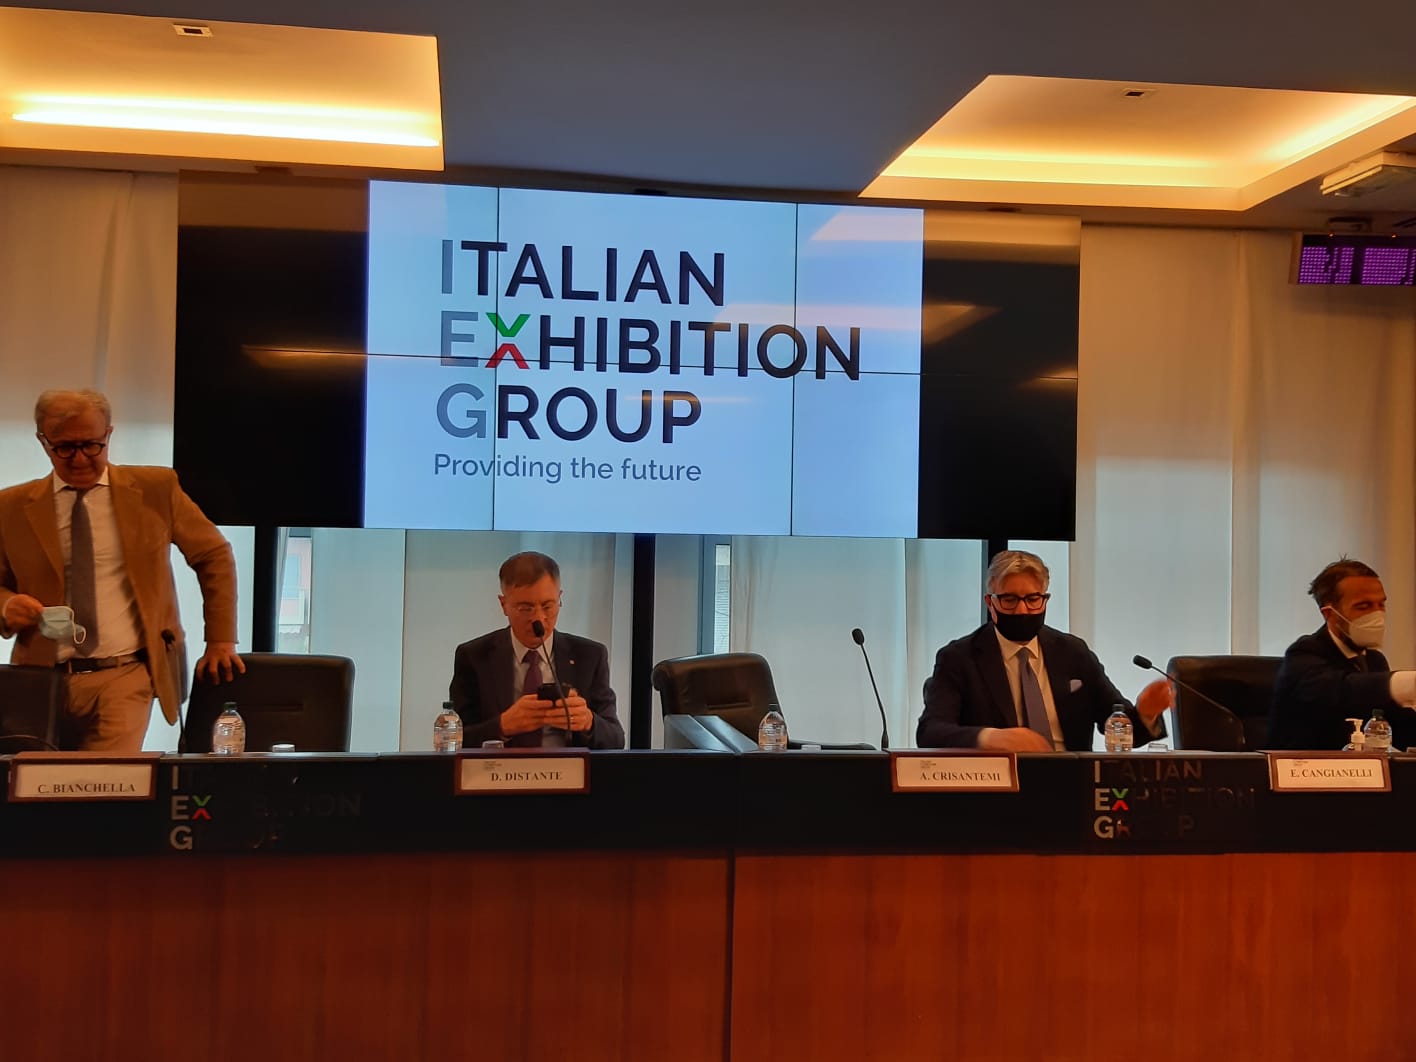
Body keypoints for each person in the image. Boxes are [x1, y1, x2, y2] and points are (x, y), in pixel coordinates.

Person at [0, 389, 243, 751]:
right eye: (64, 448)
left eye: (91, 445)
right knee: (39, 784)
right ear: (43, 441)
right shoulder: (11, 506)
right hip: (39, 679)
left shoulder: (155, 489)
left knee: (107, 780)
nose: (80, 458)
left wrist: (221, 640)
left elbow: (213, 554)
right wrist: (6, 606)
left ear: (109, 434)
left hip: (126, 674)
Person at [916, 549, 1170, 751]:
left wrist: (1145, 714)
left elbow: (1115, 723)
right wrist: (992, 738)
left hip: (1071, 783)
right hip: (1000, 787)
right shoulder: (960, 658)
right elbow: (930, 731)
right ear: (990, 603)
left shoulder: (1073, 653)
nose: (1022, 610)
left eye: (1032, 599)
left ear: (1045, 599)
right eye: (1009, 600)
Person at [449, 551, 624, 749]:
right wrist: (503, 726)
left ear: (559, 598)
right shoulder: (473, 657)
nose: (538, 618)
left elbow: (616, 740)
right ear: (504, 605)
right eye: (526, 608)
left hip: (568, 767)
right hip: (501, 767)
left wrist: (588, 722)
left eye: (547, 606)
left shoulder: (590, 656)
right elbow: (455, 740)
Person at [1267, 558, 1416, 750]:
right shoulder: (1304, 654)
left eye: (1381, 605)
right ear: (1330, 614)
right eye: (1364, 606)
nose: (1377, 615)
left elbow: (1398, 725)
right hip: (1304, 766)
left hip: (1362, 767)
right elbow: (1341, 691)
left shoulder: (1374, 660)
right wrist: (1407, 683)